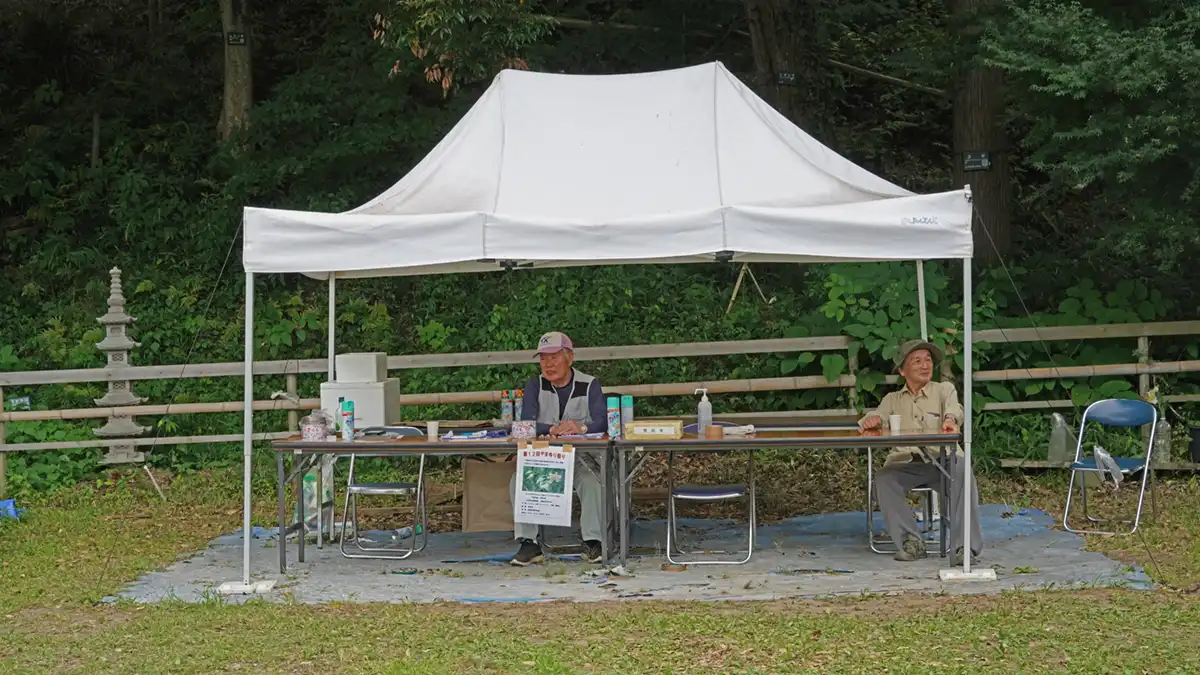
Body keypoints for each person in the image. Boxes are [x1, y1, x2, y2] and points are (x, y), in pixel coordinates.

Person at [859, 339, 982, 565]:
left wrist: (951, 419)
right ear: (902, 371)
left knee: (963, 470)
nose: (925, 365)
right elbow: (876, 416)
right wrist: (872, 420)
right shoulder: (893, 399)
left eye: (928, 360)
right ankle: (911, 541)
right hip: (907, 463)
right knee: (884, 479)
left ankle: (964, 548)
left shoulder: (943, 390)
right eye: (917, 361)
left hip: (943, 460)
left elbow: (955, 409)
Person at [508, 331, 608, 566]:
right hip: (547, 457)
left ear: (569, 358)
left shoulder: (589, 383)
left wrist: (580, 427)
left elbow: (603, 420)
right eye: (543, 358)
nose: (548, 364)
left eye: (554, 357)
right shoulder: (535, 385)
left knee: (593, 481)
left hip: (581, 456)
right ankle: (529, 543)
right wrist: (552, 428)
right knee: (519, 479)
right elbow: (526, 422)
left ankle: (593, 541)